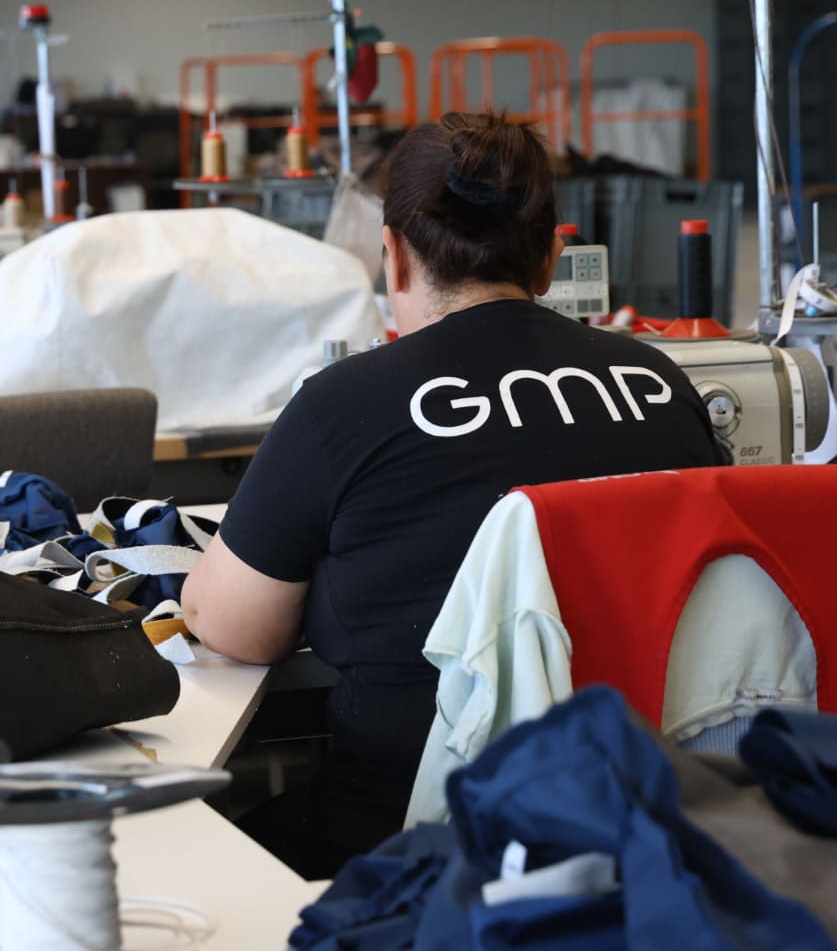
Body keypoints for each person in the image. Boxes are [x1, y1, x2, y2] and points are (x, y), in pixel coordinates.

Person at [179, 112, 724, 877]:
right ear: (550, 258)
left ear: (395, 257)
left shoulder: (344, 404)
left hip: (406, 849)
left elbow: (231, 627)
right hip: (641, 828)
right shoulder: (659, 383)